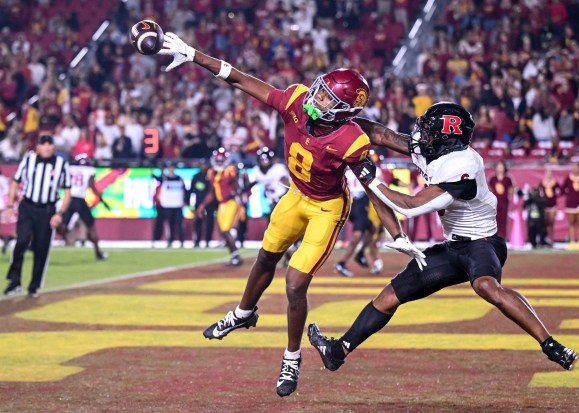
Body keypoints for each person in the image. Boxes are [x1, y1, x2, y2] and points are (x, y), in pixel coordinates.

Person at [156, 33, 424, 396]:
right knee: (265, 258)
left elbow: (371, 188)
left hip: (327, 208)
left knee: (295, 283)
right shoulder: (297, 100)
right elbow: (240, 78)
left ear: (344, 109)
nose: (317, 97)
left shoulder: (351, 139)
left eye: (329, 97)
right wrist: (194, 55)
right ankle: (243, 313)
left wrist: (397, 234)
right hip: (295, 196)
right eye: (321, 89)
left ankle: (292, 357)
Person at [308, 102, 578, 376]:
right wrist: (337, 121)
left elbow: (410, 206)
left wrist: (371, 179)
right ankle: (337, 352)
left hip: (481, 243)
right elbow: (381, 135)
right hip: (453, 247)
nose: (420, 138)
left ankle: (551, 345)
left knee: (485, 285)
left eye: (428, 133)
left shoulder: (463, 165)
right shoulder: (433, 148)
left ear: (446, 139)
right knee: (391, 295)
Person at [4, 135, 72, 298]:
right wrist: (10, 204)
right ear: (38, 147)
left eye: (50, 144)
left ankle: (34, 286)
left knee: (41, 248)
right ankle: (15, 281)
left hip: (47, 210)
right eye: (44, 144)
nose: (47, 147)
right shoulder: (29, 160)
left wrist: (59, 213)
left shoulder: (61, 164)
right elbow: (15, 181)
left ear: (53, 147)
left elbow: (67, 191)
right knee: (21, 240)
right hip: (28, 206)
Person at [197, 148, 244, 266]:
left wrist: (242, 205)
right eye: (217, 160)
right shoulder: (211, 172)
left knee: (225, 230)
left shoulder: (230, 171)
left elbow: (238, 188)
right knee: (222, 231)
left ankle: (236, 256)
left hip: (231, 202)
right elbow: (211, 192)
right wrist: (202, 205)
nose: (219, 162)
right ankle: (234, 255)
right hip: (221, 204)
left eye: (221, 160)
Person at [57, 154, 109, 260]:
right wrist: (101, 199)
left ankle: (54, 235)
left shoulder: (70, 168)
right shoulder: (89, 170)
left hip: (70, 199)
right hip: (80, 200)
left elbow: (62, 182)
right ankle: (98, 253)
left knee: (61, 224)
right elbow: (92, 186)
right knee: (91, 227)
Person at [334, 167, 376, 277]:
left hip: (354, 203)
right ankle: (341, 263)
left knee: (372, 228)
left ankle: (360, 253)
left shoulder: (345, 171)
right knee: (357, 235)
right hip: (358, 204)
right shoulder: (362, 169)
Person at [157, 161, 187, 248]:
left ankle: (182, 241)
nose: (171, 169)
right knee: (170, 224)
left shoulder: (179, 178)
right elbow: (156, 178)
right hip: (168, 205)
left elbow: (184, 191)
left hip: (178, 204)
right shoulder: (164, 178)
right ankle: (170, 240)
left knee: (179, 224)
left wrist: (184, 201)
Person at [187, 159, 216, 248]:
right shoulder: (196, 177)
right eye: (202, 164)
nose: (203, 166)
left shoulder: (212, 176)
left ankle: (208, 240)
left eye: (205, 164)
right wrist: (189, 203)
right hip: (198, 203)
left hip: (210, 203)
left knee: (210, 222)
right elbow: (191, 190)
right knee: (198, 222)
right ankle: (197, 240)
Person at [488, 160, 514, 239]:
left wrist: (510, 195)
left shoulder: (508, 179)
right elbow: (489, 189)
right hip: (494, 203)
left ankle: (503, 237)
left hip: (504, 202)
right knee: (494, 219)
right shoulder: (493, 178)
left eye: (501, 166)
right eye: (498, 166)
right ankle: (494, 236)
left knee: (503, 220)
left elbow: (512, 188)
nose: (500, 168)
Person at [540, 168, 561, 246]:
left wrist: (555, 197)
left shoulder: (555, 183)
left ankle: (551, 239)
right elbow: (538, 191)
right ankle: (545, 239)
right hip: (545, 206)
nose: (549, 175)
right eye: (547, 173)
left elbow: (561, 190)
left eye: (550, 173)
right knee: (545, 223)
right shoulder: (542, 183)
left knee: (551, 223)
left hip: (552, 206)